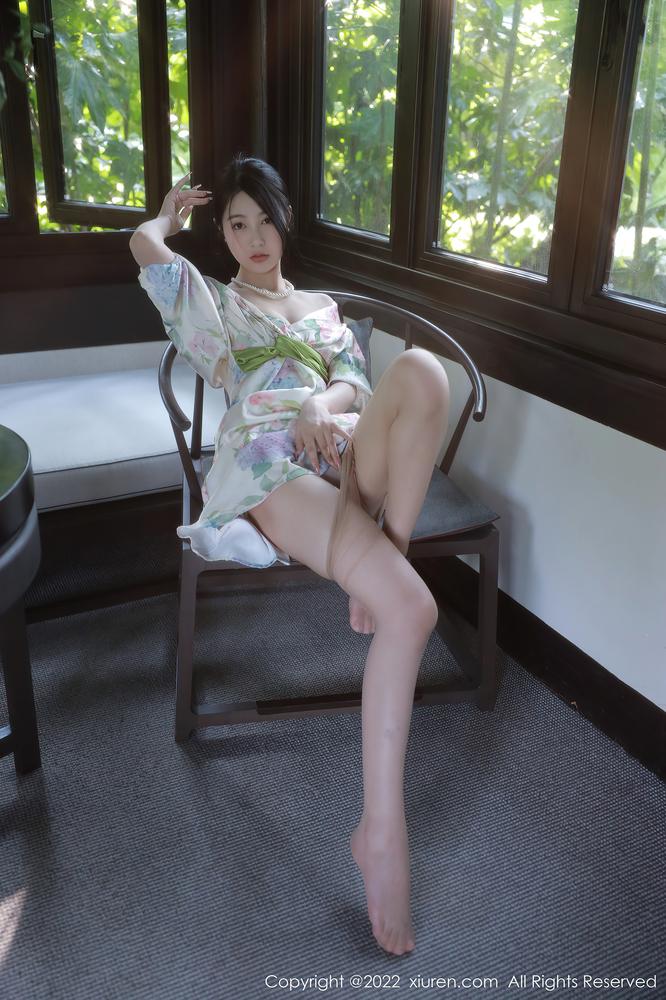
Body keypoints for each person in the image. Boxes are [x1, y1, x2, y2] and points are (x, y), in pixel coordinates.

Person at [129, 155, 450, 957]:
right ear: (222, 235)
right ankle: (381, 832)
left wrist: (320, 401)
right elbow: (143, 247)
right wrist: (165, 218)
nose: (254, 236)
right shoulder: (217, 305)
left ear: (284, 220)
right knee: (414, 608)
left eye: (264, 219)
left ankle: (384, 556)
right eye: (236, 224)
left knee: (423, 371)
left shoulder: (323, 309)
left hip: (340, 446)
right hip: (269, 459)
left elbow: (355, 383)